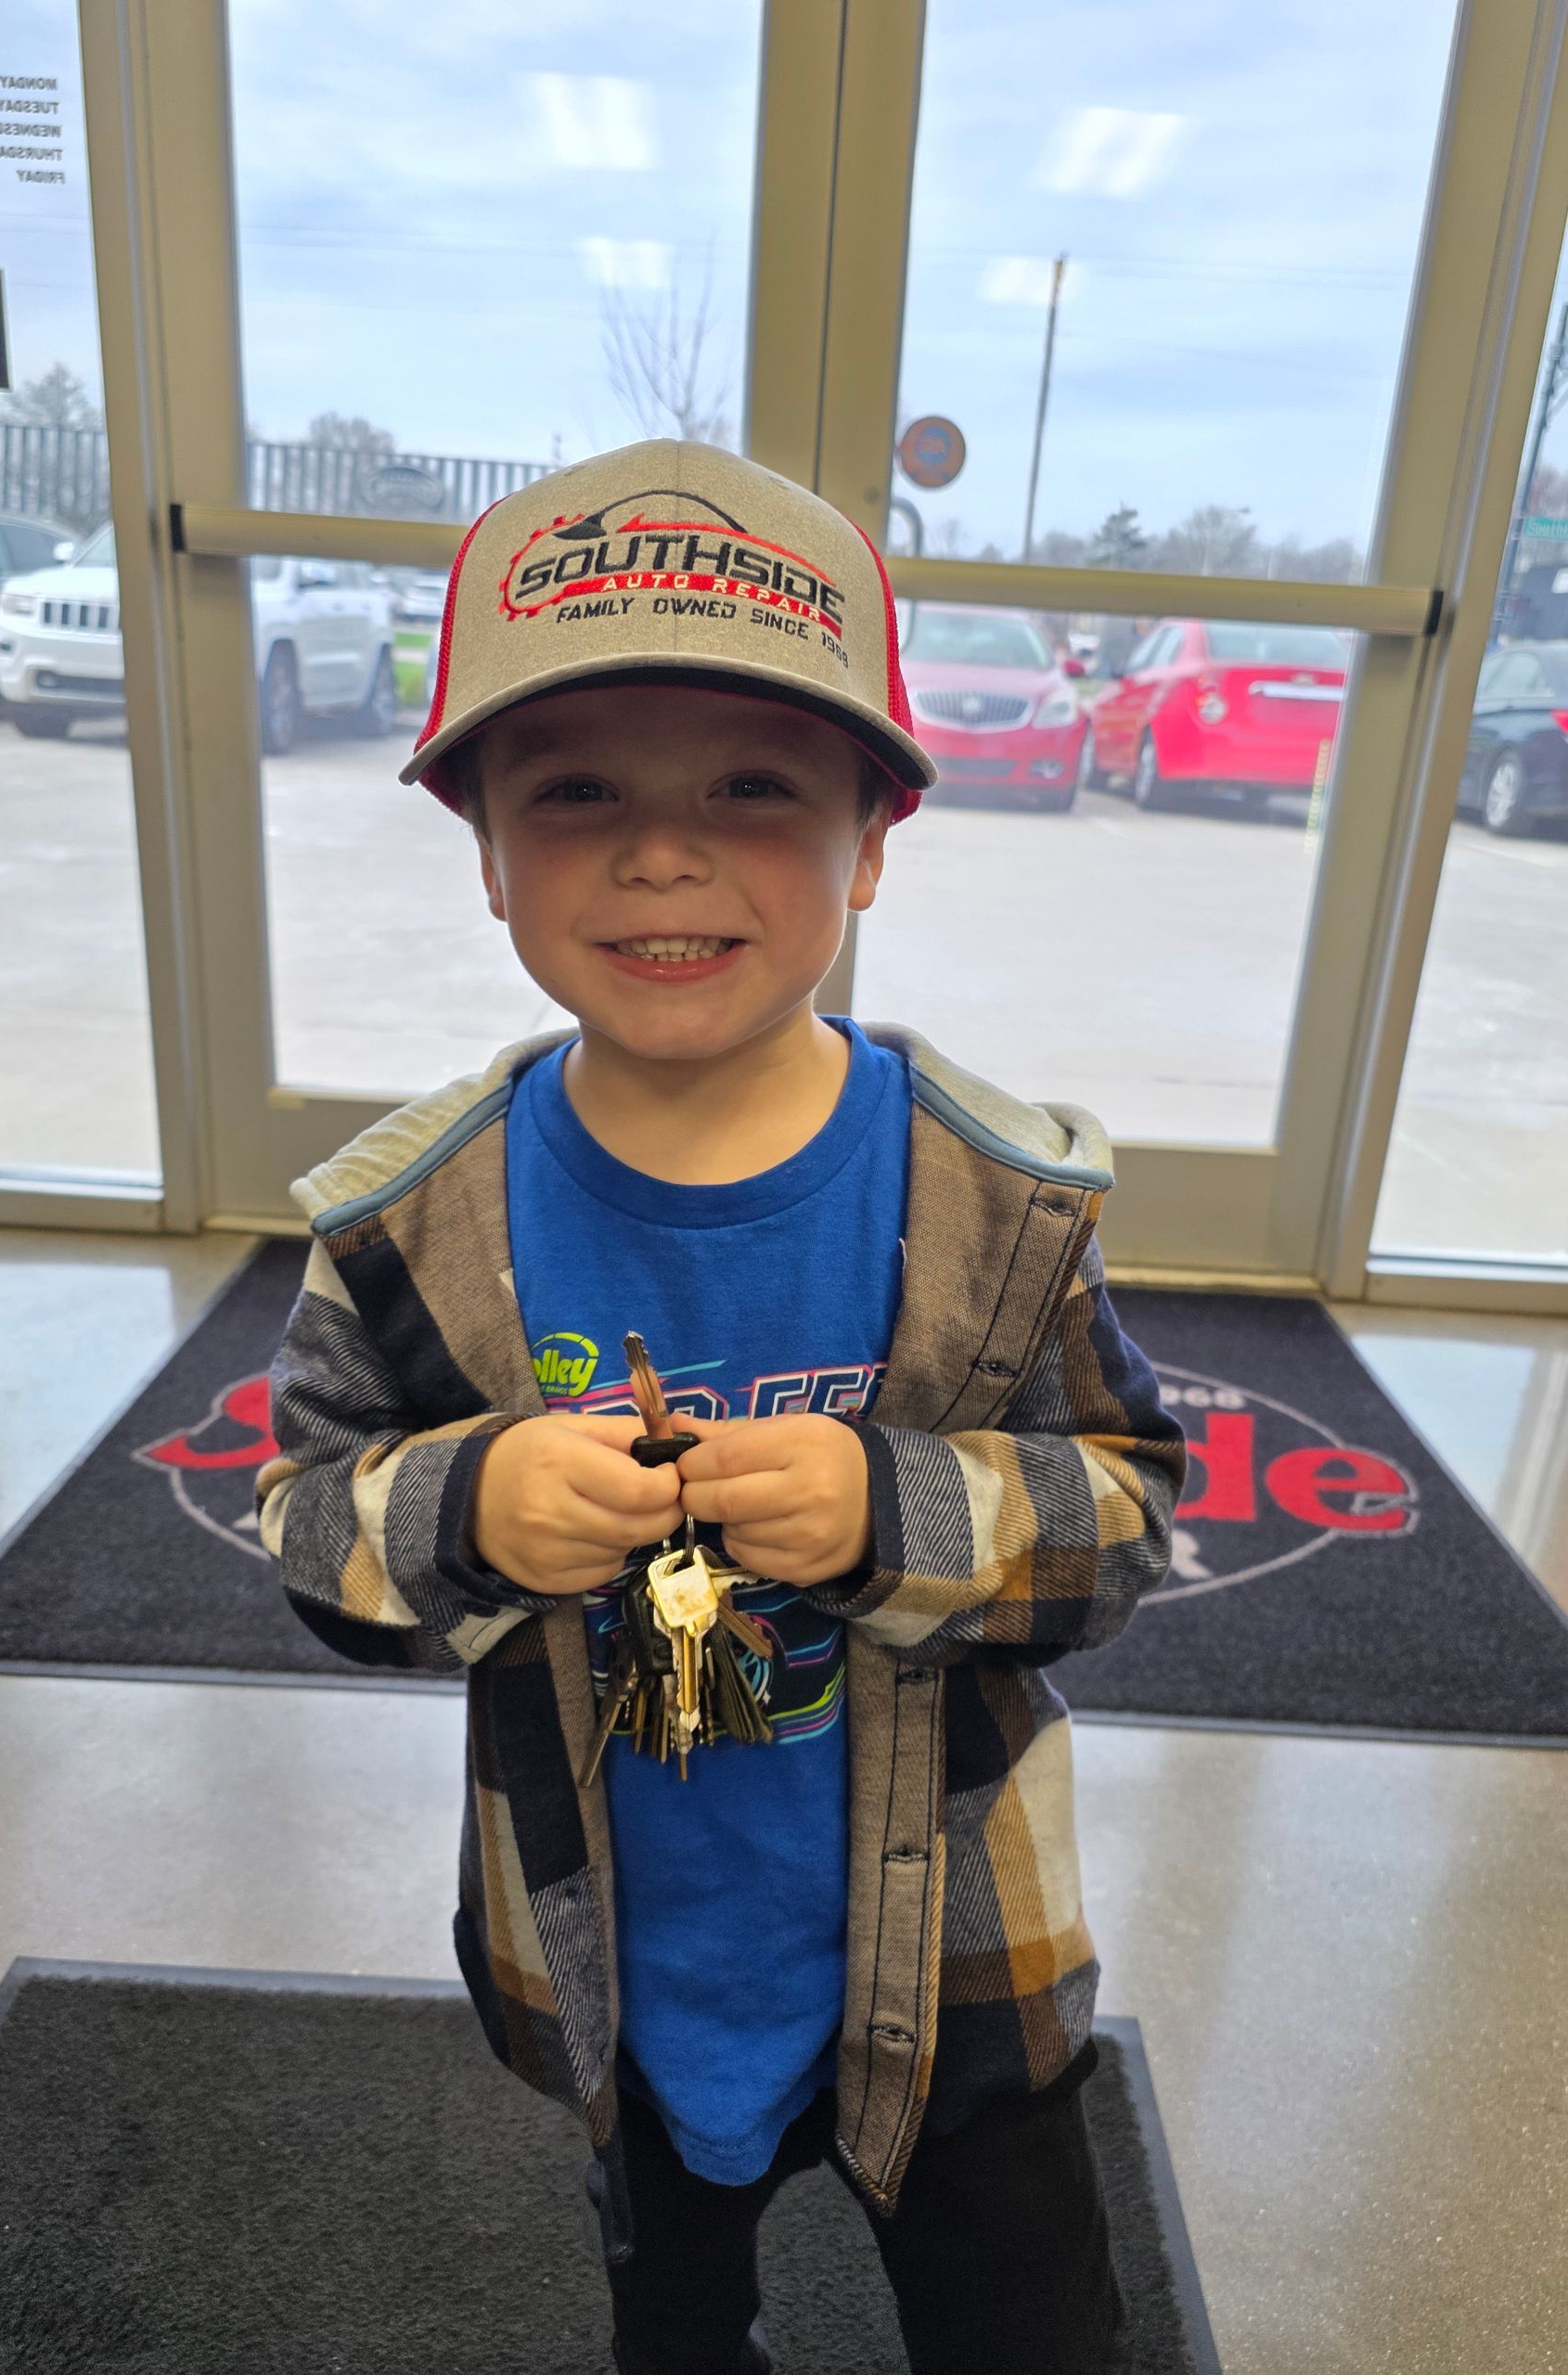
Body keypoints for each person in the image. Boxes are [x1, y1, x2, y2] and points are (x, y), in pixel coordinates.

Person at [254, 439, 1187, 2375]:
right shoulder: (409, 1225)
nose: (659, 853)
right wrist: (464, 1504)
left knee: (1038, 2332)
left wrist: (888, 1509)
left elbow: (1132, 1517)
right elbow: (312, 1528)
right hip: (616, 1961)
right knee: (675, 2327)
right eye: (576, 786)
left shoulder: (998, 1205)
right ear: (486, 843)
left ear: (869, 838)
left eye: (754, 789)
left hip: (962, 1963)